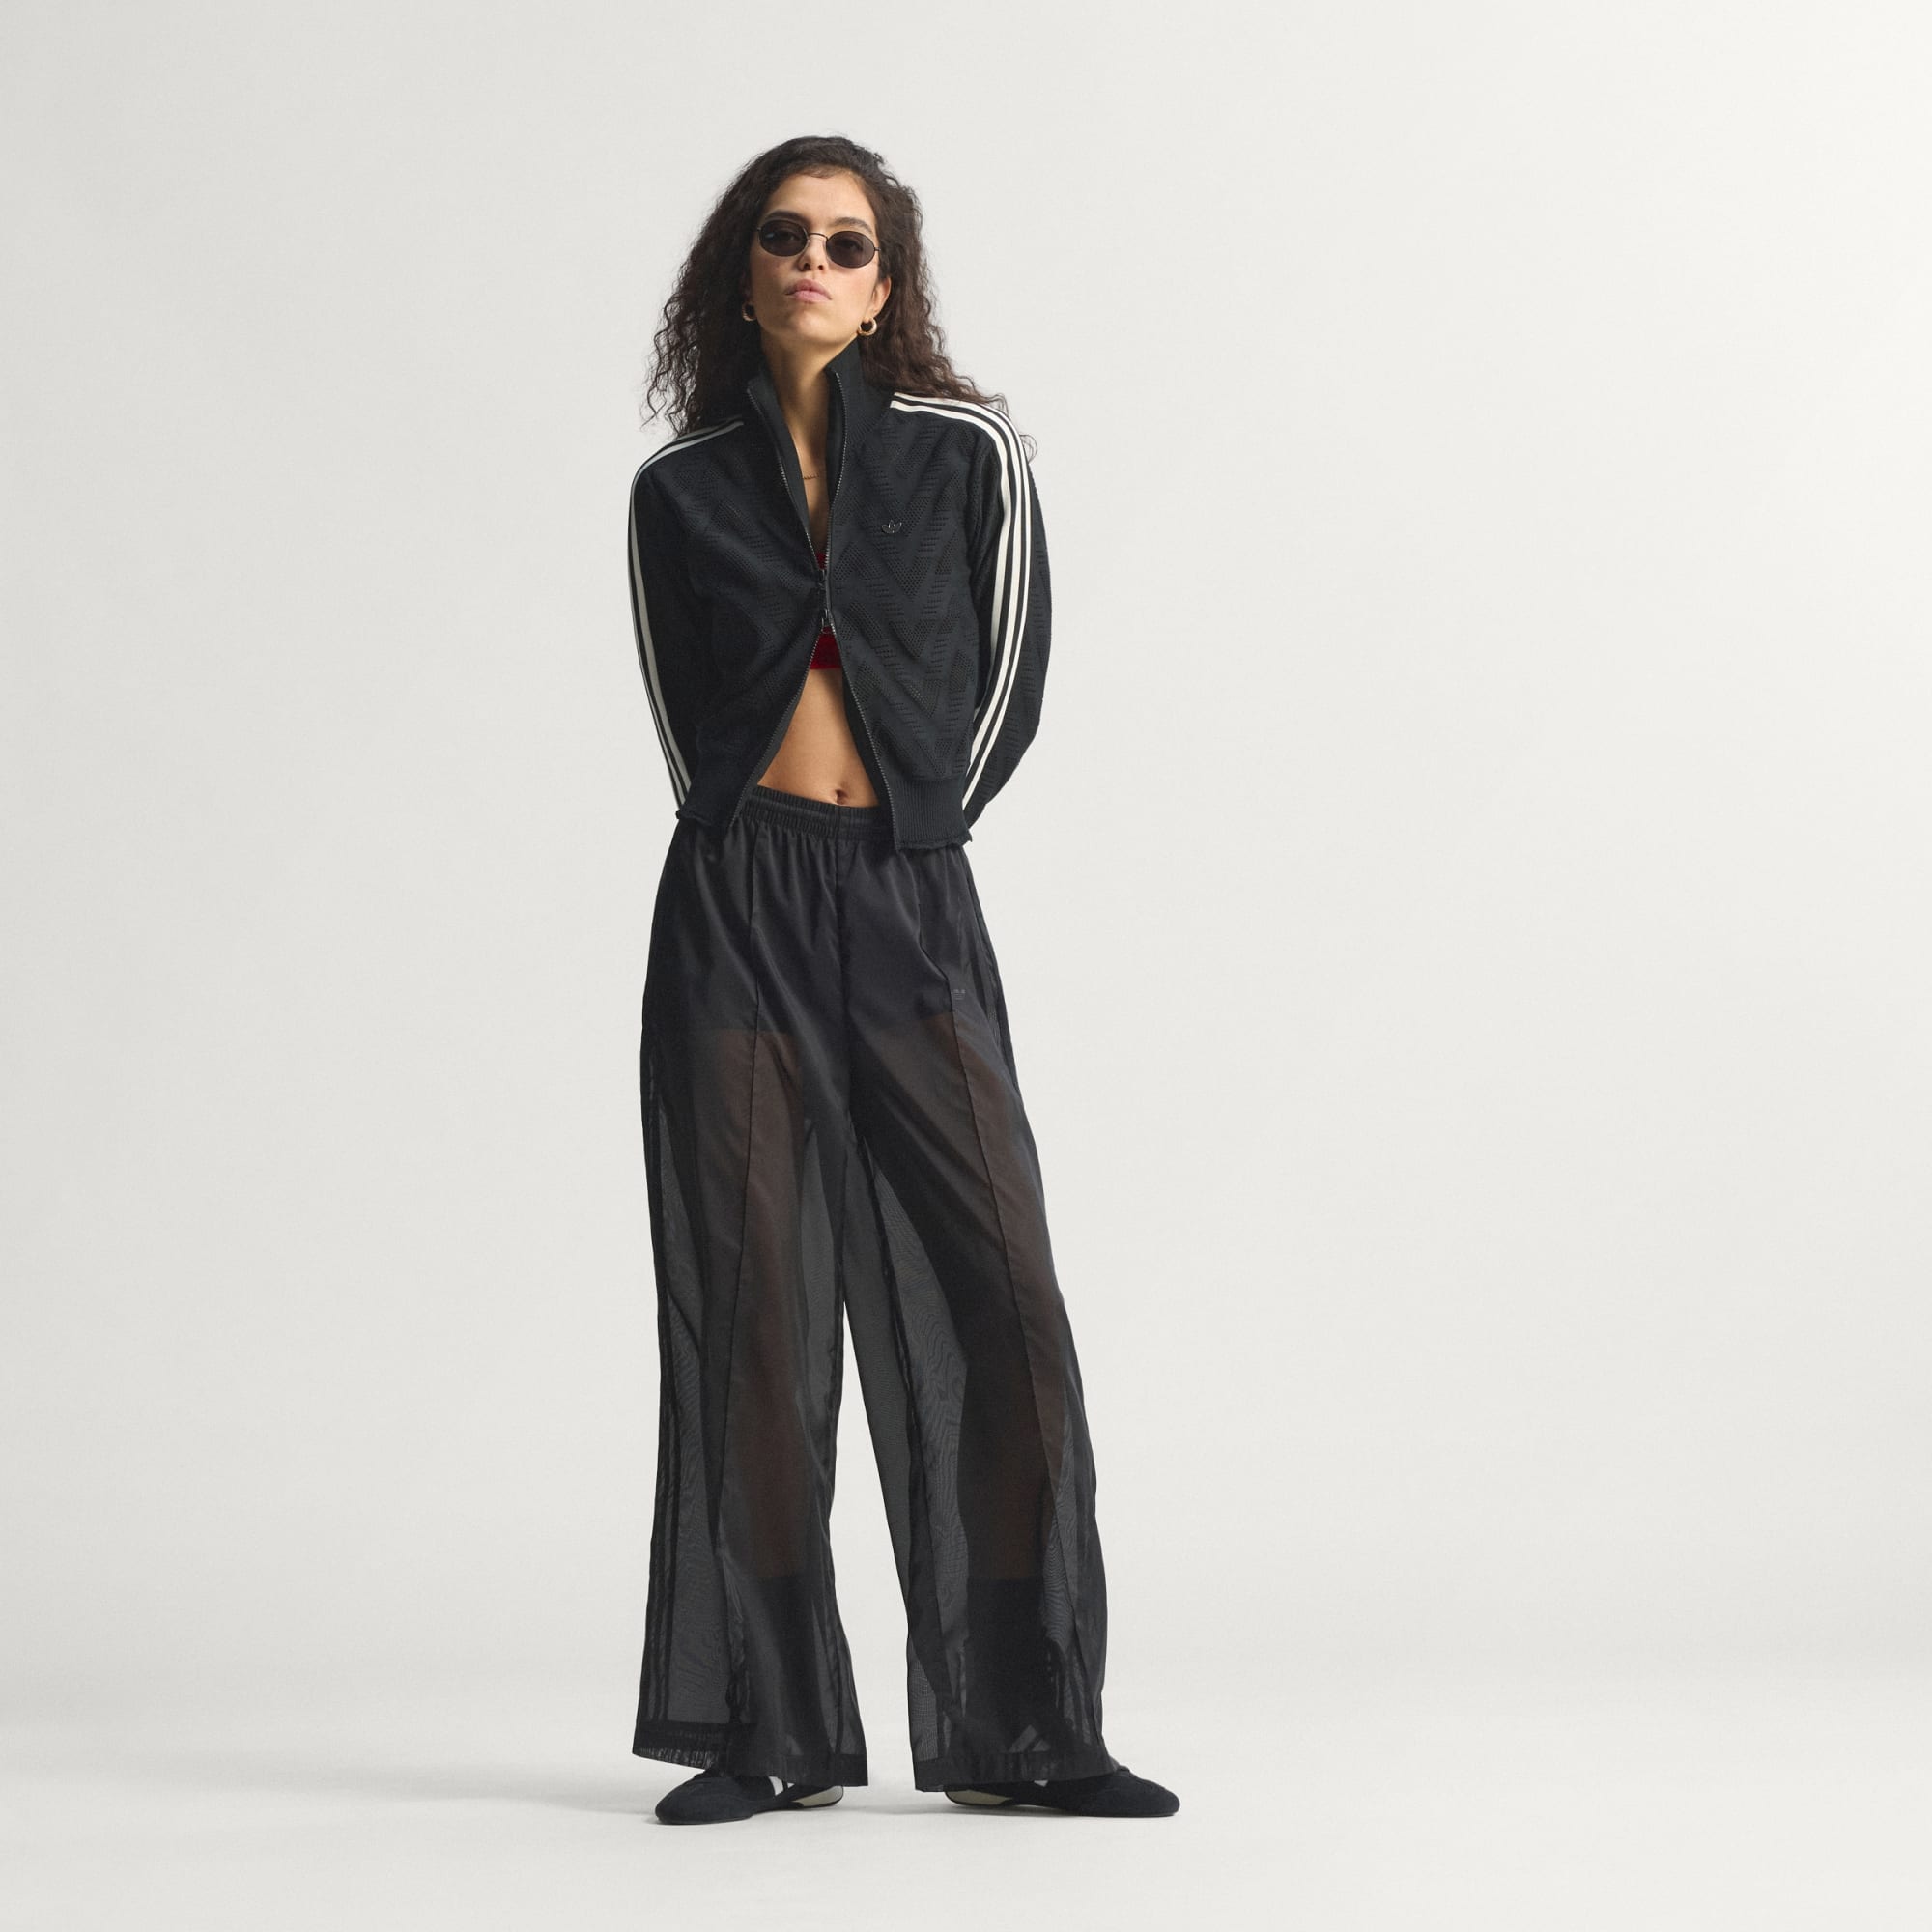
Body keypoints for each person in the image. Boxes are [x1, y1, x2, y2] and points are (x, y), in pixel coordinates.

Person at [624, 135, 1179, 1826]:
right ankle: (770, 1729)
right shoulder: (677, 491)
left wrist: (919, 826)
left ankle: (1031, 1730)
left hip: (907, 897)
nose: (815, 261)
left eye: (848, 243)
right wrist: (757, 841)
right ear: (743, 272)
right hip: (735, 910)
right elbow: (682, 716)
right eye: (785, 236)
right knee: (750, 1317)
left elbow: (1011, 671)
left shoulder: (964, 451)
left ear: (886, 285)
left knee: (1002, 1300)